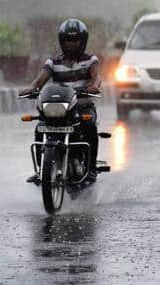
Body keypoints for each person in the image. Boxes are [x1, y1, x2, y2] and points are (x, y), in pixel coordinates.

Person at [20, 19, 102, 183]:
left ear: (83, 40)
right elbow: (39, 81)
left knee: (90, 126)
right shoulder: (53, 62)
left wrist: (94, 86)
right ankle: (41, 171)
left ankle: (91, 168)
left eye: (76, 39)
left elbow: (97, 78)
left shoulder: (91, 60)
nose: (72, 44)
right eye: (68, 40)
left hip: (82, 107)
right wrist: (32, 88)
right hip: (59, 108)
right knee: (39, 128)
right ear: (62, 41)